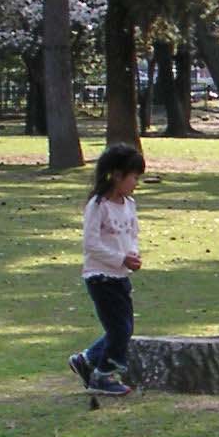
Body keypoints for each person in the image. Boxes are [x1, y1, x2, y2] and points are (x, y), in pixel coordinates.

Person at [69, 143, 145, 395]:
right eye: (133, 177)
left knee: (125, 328)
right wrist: (121, 258)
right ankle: (103, 375)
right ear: (116, 175)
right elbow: (91, 245)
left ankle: (86, 360)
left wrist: (132, 255)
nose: (136, 183)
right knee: (119, 329)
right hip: (100, 277)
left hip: (121, 276)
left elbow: (132, 234)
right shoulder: (98, 205)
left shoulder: (129, 204)